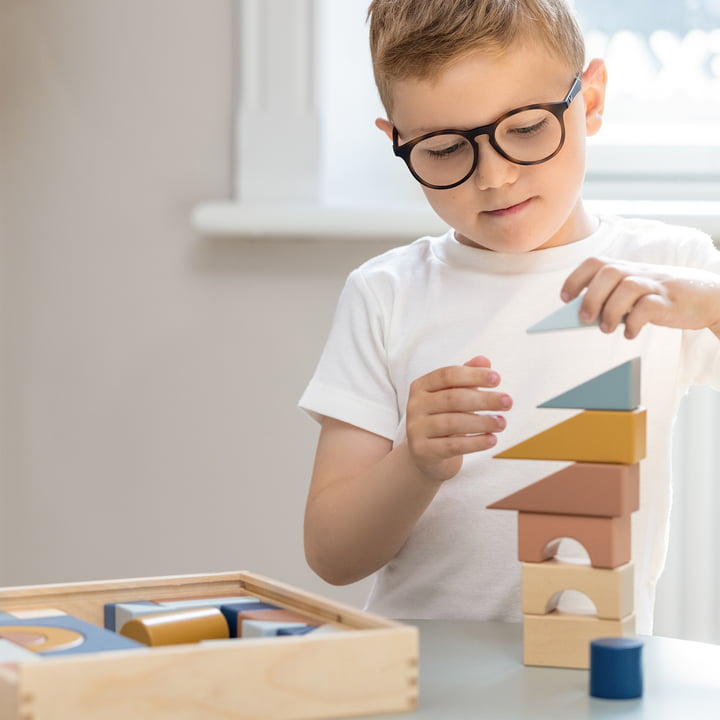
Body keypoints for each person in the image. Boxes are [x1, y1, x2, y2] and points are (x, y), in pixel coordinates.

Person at [299, 0, 720, 634]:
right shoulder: (385, 294)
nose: (494, 178)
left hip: (591, 684)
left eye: (525, 130)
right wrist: (413, 464)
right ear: (397, 142)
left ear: (593, 99)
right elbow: (333, 556)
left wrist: (710, 302)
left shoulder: (665, 265)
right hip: (423, 682)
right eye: (443, 150)